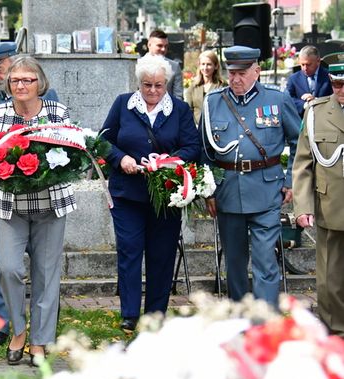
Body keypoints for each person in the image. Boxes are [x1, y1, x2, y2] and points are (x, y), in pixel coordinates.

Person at [0, 56, 74, 366]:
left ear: (40, 83)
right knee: (7, 269)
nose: (21, 85)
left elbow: (69, 155)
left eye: (28, 80)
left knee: (46, 274)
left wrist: (51, 166)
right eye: (15, 81)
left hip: (50, 203)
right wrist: (1, 166)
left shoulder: (57, 112)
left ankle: (39, 342)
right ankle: (18, 330)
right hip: (9, 204)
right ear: (8, 84)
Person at [101, 54, 199, 331]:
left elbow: (192, 147)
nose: (153, 91)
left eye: (158, 85)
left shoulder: (178, 110)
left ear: (166, 84)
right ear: (138, 83)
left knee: (162, 254)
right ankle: (130, 313)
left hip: (166, 195)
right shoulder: (123, 104)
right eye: (147, 85)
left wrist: (167, 164)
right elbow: (103, 140)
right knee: (130, 250)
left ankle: (156, 314)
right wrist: (121, 159)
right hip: (127, 194)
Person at [199, 46, 301, 307]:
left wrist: (290, 180)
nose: (235, 79)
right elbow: (205, 151)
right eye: (231, 73)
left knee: (265, 260)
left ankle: (265, 323)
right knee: (234, 262)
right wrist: (209, 190)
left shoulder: (276, 100)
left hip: (266, 190)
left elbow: (299, 141)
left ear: (257, 71)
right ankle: (240, 318)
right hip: (228, 192)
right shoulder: (213, 102)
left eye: (242, 73)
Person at [292, 61, 344, 337]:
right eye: (336, 84)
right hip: (331, 204)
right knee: (330, 279)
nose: (340, 90)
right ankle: (335, 332)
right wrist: (302, 206)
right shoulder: (316, 112)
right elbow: (302, 164)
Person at [285, 45, 332, 117]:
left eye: (308, 64)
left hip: (325, 118)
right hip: (302, 120)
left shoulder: (329, 77)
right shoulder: (294, 79)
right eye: (302, 64)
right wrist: (304, 104)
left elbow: (335, 97)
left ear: (318, 61)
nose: (305, 68)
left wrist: (315, 101)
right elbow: (287, 99)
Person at [185, 50, 227, 126]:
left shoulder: (222, 85)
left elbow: (225, 110)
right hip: (196, 129)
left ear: (216, 66)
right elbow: (188, 110)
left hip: (216, 128)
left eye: (209, 64)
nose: (205, 68)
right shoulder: (193, 86)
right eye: (203, 64)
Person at [147, 29, 183, 100]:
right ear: (149, 45)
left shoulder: (174, 67)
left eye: (166, 46)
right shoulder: (138, 65)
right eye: (159, 46)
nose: (163, 49)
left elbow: (178, 96)